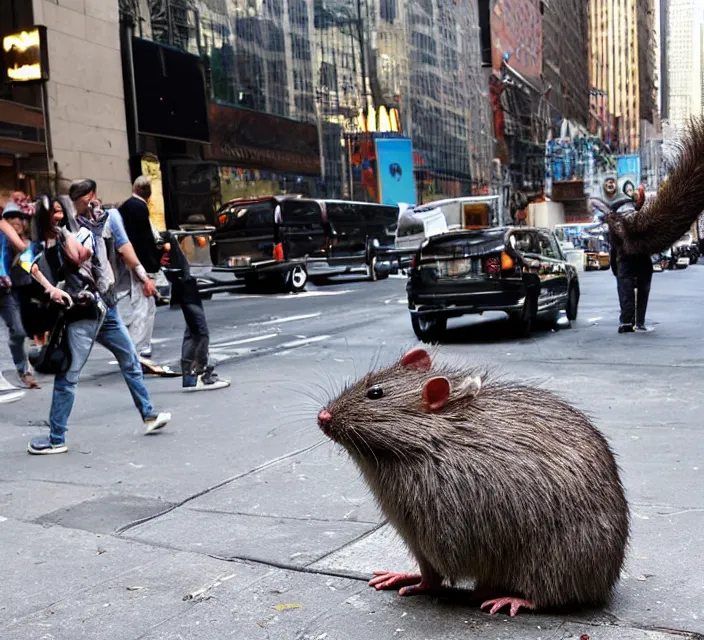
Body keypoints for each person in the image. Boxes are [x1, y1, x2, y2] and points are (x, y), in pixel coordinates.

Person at [26, 179, 170, 455]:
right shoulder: (62, 233)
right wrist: (51, 287)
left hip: (108, 308)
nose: (59, 214)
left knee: (130, 359)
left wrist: (142, 278)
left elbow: (120, 249)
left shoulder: (105, 218)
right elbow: (48, 261)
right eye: (54, 211)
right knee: (69, 375)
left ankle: (149, 415)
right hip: (83, 312)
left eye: (60, 209)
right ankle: (56, 437)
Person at [160, 229, 229, 392]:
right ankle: (198, 374)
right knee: (199, 331)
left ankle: (192, 375)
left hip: (184, 283)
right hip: (185, 284)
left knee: (193, 330)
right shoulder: (169, 236)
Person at [117, 176, 162, 360]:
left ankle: (135, 346)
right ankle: (139, 347)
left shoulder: (124, 208)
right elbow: (143, 241)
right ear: (149, 193)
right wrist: (147, 271)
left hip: (125, 263)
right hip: (139, 263)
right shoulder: (139, 209)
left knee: (136, 305)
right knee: (145, 307)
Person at [0, 196, 39, 388]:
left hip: (7, 291)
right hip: (8, 287)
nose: (15, 221)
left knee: (19, 331)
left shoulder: (24, 244)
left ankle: (23, 370)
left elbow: (28, 266)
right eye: (10, 217)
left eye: (18, 217)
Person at [610, 184, 653, 334]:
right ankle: (640, 321)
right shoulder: (641, 218)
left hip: (625, 259)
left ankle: (626, 322)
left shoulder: (615, 221)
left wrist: (615, 268)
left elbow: (613, 247)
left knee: (625, 290)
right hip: (642, 258)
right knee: (643, 289)